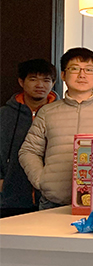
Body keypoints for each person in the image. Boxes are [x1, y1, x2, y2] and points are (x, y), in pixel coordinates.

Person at [19, 48, 93, 209]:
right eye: (75, 69)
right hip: (54, 201)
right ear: (63, 75)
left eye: (89, 70)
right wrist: (41, 180)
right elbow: (28, 151)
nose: (82, 75)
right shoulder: (47, 112)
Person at [0, 59, 57, 217]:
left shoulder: (60, 113)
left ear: (53, 83)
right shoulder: (4, 115)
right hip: (9, 200)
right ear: (21, 82)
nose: (40, 85)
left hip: (51, 200)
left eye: (46, 80)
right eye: (33, 79)